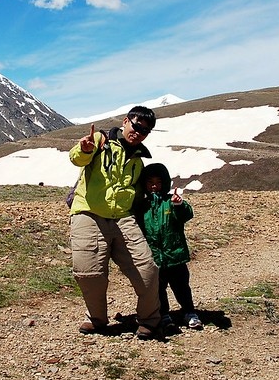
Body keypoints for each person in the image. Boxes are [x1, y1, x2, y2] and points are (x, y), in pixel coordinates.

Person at [68, 106, 161, 340]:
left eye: (145, 131)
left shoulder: (139, 159)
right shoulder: (101, 140)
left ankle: (150, 320)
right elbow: (77, 158)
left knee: (147, 269)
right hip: (88, 213)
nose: (139, 132)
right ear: (125, 121)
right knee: (88, 272)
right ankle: (97, 319)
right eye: (137, 126)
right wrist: (84, 148)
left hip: (123, 217)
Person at [137, 163, 203, 330]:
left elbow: (186, 214)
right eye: (150, 182)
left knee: (181, 286)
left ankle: (189, 312)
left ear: (165, 183)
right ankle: (164, 314)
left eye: (158, 182)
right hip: (154, 256)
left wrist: (178, 205)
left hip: (175, 255)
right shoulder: (141, 206)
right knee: (158, 289)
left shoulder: (170, 202)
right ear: (144, 184)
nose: (154, 186)